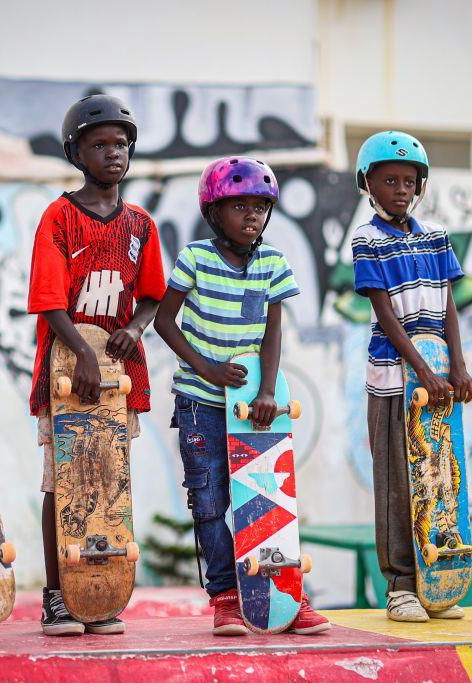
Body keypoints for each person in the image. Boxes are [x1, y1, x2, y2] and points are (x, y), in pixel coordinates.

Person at [154, 156, 330, 636]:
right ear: (213, 212)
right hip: (199, 402)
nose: (251, 215)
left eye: (260, 207)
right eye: (239, 206)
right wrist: (206, 368)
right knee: (209, 501)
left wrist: (268, 390)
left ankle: (285, 596)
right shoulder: (195, 257)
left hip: (254, 406)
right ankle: (227, 597)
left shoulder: (274, 262)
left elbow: (274, 333)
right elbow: (164, 321)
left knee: (266, 500)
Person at [28, 94, 166, 636]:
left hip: (116, 375)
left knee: (109, 482)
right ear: (76, 152)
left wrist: (133, 330)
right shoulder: (59, 217)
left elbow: (153, 295)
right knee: (62, 482)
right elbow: (48, 299)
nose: (114, 153)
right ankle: (58, 596)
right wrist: (82, 352)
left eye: (122, 143)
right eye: (100, 144)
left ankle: (99, 595)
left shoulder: (141, 225)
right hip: (67, 367)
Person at [350, 131, 472, 623]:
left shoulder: (436, 237)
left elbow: (448, 304)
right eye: (389, 180)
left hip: (439, 372)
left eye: (409, 181)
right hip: (393, 373)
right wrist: (421, 368)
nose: (400, 189)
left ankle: (436, 576)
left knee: (439, 476)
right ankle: (400, 584)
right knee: (396, 479)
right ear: (368, 184)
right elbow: (384, 313)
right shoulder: (366, 240)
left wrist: (458, 366)